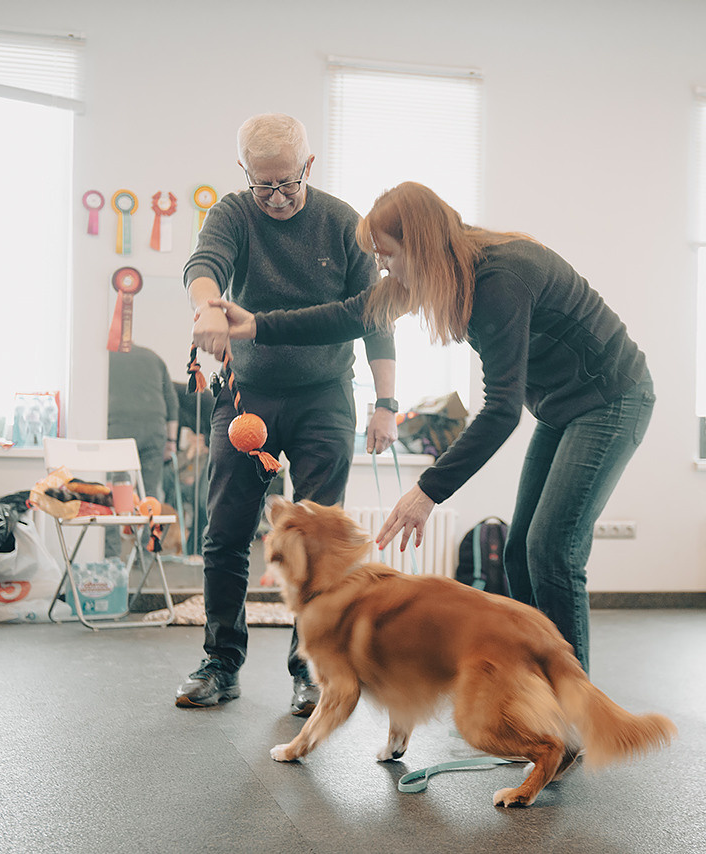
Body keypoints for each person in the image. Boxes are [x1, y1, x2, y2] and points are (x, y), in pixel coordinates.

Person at [205, 181, 654, 675]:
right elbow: (352, 315)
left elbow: (501, 410)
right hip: (559, 407)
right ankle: (538, 697)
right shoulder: (437, 273)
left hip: (612, 400)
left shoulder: (502, 279)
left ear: (417, 247)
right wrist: (257, 326)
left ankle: (572, 707)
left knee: (551, 551)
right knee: (520, 553)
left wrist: (427, 491)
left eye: (388, 254)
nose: (382, 266)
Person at [181, 113, 398, 714]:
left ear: (308, 166)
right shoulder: (233, 212)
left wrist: (386, 404)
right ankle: (221, 662)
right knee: (226, 531)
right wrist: (208, 311)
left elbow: (374, 316)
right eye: (262, 185)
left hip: (325, 396)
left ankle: (309, 667)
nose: (275, 198)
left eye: (287, 184)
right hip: (247, 396)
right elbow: (204, 265)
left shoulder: (342, 224)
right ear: (245, 173)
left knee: (318, 538)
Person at [106, 344, 179, 557]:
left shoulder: (103, 358)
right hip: (154, 430)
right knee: (149, 495)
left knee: (114, 495)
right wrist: (171, 441)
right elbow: (172, 403)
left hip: (118, 429)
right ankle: (148, 553)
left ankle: (111, 557)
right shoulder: (153, 356)